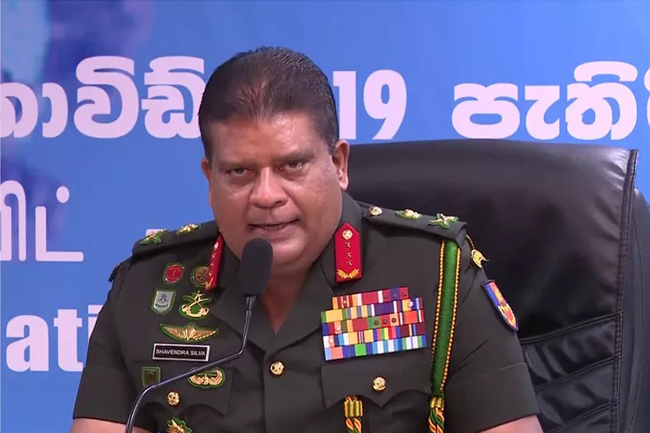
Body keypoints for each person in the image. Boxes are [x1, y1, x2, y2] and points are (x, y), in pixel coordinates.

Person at [69, 46, 543, 433]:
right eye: (240, 172)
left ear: (338, 164)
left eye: (292, 165)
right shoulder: (147, 290)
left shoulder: (437, 276)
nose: (267, 195)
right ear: (209, 178)